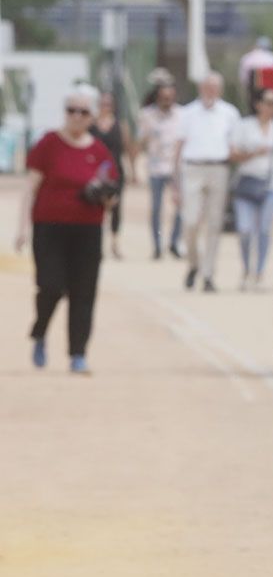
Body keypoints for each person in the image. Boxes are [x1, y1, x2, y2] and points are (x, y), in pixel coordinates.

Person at [15, 84, 116, 374]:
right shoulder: (48, 143)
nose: (76, 117)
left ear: (92, 116)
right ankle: (40, 331)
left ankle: (78, 353)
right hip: (50, 227)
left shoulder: (99, 151)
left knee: (83, 292)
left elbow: (112, 192)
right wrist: (22, 228)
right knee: (50, 285)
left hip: (87, 230)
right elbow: (30, 187)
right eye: (71, 110)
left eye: (83, 112)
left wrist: (104, 195)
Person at [174, 71, 241, 292]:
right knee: (190, 221)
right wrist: (175, 182)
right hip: (192, 167)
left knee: (214, 224)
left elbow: (235, 145)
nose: (210, 91)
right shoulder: (188, 113)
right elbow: (179, 147)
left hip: (218, 168)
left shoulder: (230, 113)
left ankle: (209, 273)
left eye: (214, 87)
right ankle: (195, 263)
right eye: (207, 87)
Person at [230, 88, 273, 290]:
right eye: (268, 102)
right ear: (258, 104)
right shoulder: (244, 126)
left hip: (271, 186)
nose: (272, 108)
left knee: (263, 230)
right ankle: (246, 268)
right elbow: (233, 154)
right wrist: (254, 152)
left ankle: (259, 272)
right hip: (247, 184)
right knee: (245, 230)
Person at [138, 76, 183, 259]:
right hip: (156, 167)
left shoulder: (182, 114)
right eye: (164, 97)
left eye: (170, 97)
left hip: (176, 167)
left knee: (181, 206)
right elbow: (141, 140)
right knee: (156, 208)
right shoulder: (147, 115)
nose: (167, 101)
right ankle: (157, 245)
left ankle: (174, 241)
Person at [90, 91, 138, 259]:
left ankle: (115, 244)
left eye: (108, 104)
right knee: (96, 208)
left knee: (116, 209)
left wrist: (134, 171)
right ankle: (97, 245)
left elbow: (129, 148)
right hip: (95, 173)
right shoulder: (91, 124)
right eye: (102, 104)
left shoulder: (121, 125)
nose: (105, 107)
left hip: (115, 172)